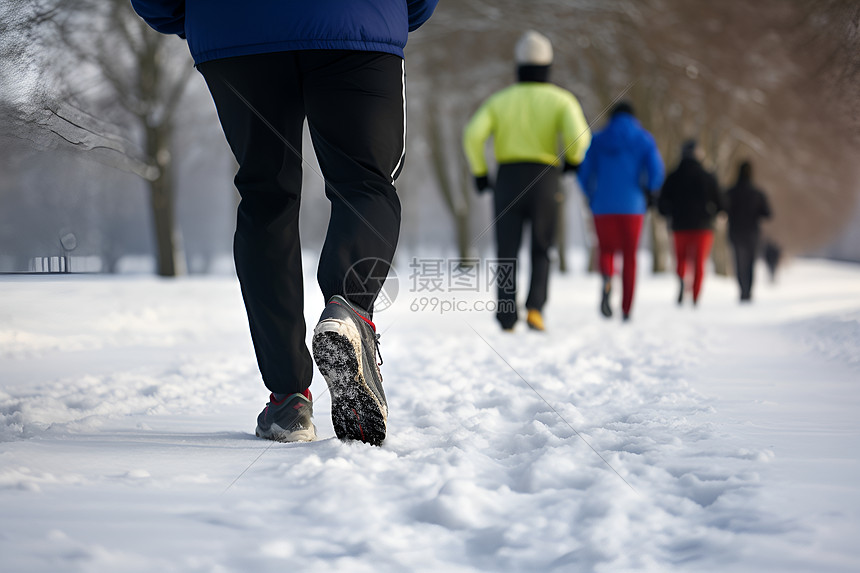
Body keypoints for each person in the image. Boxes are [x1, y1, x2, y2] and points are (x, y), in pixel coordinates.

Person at [131, 0, 439, 445]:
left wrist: (199, 15)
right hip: (358, 21)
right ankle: (348, 309)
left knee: (266, 196)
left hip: (234, 30)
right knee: (365, 185)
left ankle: (288, 399)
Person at [463, 30, 591, 332]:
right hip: (545, 178)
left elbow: (472, 136)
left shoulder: (499, 101)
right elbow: (581, 138)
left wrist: (480, 173)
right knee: (542, 246)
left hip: (508, 178)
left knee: (506, 249)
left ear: (518, 66)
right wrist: (572, 163)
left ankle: (507, 316)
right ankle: (535, 309)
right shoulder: (562, 100)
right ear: (548, 67)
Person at [577, 101, 664, 321]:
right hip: (633, 207)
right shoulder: (644, 139)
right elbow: (656, 170)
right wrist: (651, 191)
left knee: (606, 250)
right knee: (630, 256)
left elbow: (584, 171)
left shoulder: (598, 139)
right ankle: (626, 308)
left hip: (602, 206)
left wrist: (590, 194)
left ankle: (607, 277)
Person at [658, 139, 724, 306]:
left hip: (679, 225)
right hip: (703, 226)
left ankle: (681, 278)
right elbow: (721, 202)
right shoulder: (707, 176)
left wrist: (669, 212)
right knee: (699, 262)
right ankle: (695, 295)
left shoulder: (673, 176)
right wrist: (715, 213)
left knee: (681, 258)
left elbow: (661, 202)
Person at [726, 161, 772, 302]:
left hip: (735, 231)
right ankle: (748, 291)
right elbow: (767, 213)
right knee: (750, 263)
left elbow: (723, 208)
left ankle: (742, 290)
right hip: (752, 233)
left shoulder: (730, 192)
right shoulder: (757, 193)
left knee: (739, 262)